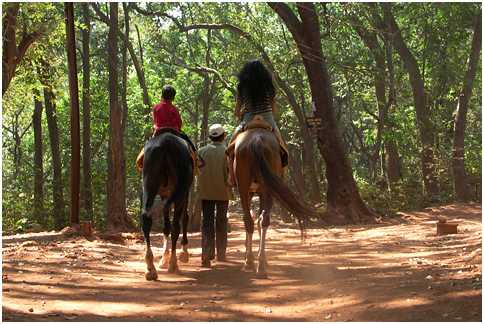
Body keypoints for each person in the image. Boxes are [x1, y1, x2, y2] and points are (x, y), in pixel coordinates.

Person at [226, 60, 288, 185]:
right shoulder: (268, 85)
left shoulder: (242, 86)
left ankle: (231, 177)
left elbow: (237, 112)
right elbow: (274, 108)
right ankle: (282, 176)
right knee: (283, 151)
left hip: (248, 121)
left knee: (229, 150)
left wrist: (243, 112)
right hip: (268, 120)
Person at [197, 124, 233, 268]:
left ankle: (206, 253)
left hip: (206, 192)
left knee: (207, 222)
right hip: (223, 192)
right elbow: (230, 172)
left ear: (210, 137)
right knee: (222, 221)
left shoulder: (201, 151)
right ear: (223, 136)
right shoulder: (227, 152)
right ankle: (221, 253)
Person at [136, 85, 196, 171]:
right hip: (174, 132)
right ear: (173, 97)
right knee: (189, 145)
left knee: (148, 145)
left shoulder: (156, 107)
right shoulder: (174, 108)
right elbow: (179, 123)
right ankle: (196, 160)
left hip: (159, 132)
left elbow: (155, 121)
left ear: (162, 95)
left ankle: (140, 161)